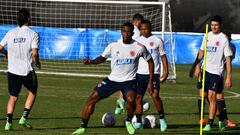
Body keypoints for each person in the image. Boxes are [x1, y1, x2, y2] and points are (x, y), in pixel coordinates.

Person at [72, 22, 154, 135]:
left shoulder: (139, 48)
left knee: (131, 99)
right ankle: (82, 127)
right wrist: (90, 61)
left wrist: (150, 80)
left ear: (132, 33)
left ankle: (128, 121)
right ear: (121, 32)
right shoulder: (113, 45)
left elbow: (150, 61)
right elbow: (102, 58)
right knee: (91, 99)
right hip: (112, 80)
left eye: (129, 32)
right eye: (124, 31)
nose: (126, 34)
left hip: (129, 81)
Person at [189, 15, 232, 132]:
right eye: (212, 25)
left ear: (220, 26)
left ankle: (210, 123)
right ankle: (222, 118)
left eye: (216, 25)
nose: (214, 27)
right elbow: (201, 52)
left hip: (217, 72)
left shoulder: (224, 39)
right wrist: (196, 66)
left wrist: (228, 77)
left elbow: (228, 59)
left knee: (212, 96)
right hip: (205, 71)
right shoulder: (207, 36)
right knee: (207, 96)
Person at [0, 8, 41, 131]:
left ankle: (8, 123)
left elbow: (0, 47)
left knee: (13, 96)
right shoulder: (33, 34)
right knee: (33, 91)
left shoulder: (11, 32)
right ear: (29, 19)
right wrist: (38, 63)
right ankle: (24, 117)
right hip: (26, 71)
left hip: (12, 71)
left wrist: (6, 54)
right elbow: (34, 54)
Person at [133, 19, 168, 131]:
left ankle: (162, 119)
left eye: (146, 28)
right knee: (138, 98)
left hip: (154, 73)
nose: (144, 31)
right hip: (139, 74)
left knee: (154, 95)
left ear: (150, 28)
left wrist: (166, 71)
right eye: (142, 29)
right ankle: (138, 121)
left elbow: (163, 56)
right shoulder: (136, 41)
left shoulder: (157, 40)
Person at [114, 13, 144, 115]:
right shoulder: (135, 31)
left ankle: (119, 104)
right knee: (129, 83)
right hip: (129, 59)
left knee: (121, 81)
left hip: (120, 58)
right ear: (138, 21)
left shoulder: (126, 29)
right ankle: (125, 105)